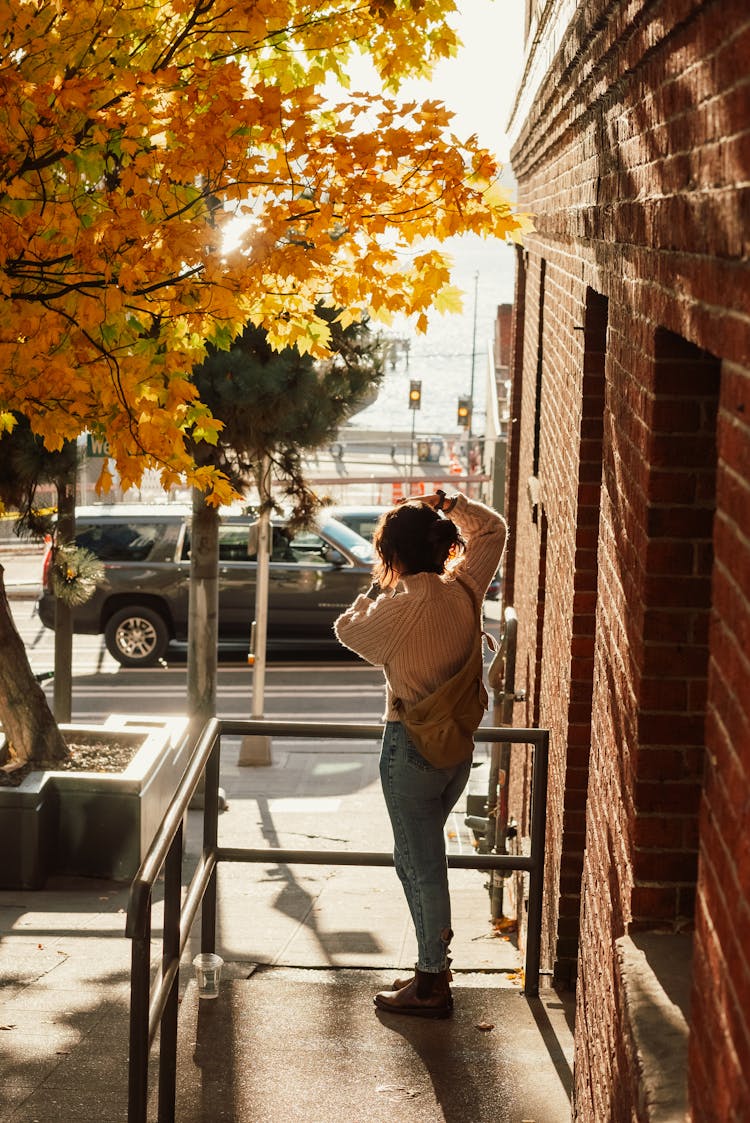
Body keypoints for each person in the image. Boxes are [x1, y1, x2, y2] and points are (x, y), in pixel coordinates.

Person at [334, 489, 507, 1018]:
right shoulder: (466, 589)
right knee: (415, 858)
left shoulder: (403, 603)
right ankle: (431, 965)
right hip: (455, 751)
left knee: (421, 864)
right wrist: (448, 501)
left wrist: (367, 596)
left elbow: (351, 634)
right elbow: (494, 530)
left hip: (410, 747)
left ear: (394, 553)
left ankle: (432, 978)